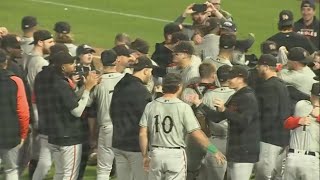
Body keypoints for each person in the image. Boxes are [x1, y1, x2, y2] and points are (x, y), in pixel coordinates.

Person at [139, 73, 225, 180]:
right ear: (179, 87)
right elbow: (196, 133)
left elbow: (143, 133)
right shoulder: (183, 107)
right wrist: (214, 150)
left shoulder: (150, 105)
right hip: (175, 155)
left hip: (156, 153)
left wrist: (145, 156)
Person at [188, 65, 260, 180]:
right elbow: (217, 117)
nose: (228, 80)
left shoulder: (248, 97)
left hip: (244, 151)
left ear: (240, 79)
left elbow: (244, 122)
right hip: (235, 150)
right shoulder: (236, 96)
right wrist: (199, 104)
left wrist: (225, 110)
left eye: (231, 77)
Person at [43, 51, 99, 180]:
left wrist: (84, 87)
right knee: (70, 175)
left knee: (59, 173)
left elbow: (70, 100)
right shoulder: (61, 84)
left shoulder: (52, 81)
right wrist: (88, 89)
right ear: (63, 67)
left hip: (55, 135)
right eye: (71, 63)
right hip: (69, 137)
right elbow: (77, 111)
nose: (74, 66)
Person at [109, 56, 155, 180]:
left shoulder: (119, 85)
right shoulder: (142, 92)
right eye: (150, 72)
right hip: (135, 147)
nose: (150, 75)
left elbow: (111, 111)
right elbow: (147, 122)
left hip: (118, 142)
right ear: (146, 70)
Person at [32, 43, 70, 180]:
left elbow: (36, 99)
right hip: (61, 127)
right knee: (63, 167)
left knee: (45, 163)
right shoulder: (60, 78)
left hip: (45, 124)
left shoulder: (41, 75)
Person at [86, 49, 125, 180]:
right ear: (117, 61)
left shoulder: (98, 82)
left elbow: (87, 103)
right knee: (123, 167)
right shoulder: (126, 80)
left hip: (106, 128)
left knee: (103, 169)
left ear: (102, 62)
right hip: (124, 128)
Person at [254, 54, 292, 180]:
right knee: (275, 175)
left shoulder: (268, 86)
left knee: (264, 175)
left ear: (265, 67)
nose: (257, 69)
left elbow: (269, 114)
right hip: (282, 138)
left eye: (259, 66)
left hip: (269, 139)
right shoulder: (281, 84)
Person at [180, 63, 217, 180]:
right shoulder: (216, 91)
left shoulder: (188, 89)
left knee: (191, 167)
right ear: (213, 75)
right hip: (211, 134)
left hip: (192, 133)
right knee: (213, 167)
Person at [199, 64, 235, 180]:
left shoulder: (208, 95)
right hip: (236, 140)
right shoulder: (237, 94)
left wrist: (206, 133)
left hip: (215, 141)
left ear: (217, 78)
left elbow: (200, 118)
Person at [0, 49, 30, 180]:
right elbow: (23, 112)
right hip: (10, 133)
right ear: (5, 62)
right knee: (11, 170)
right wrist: (23, 134)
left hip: (8, 133)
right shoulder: (15, 81)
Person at [283, 82, 320, 180]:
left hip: (307, 158)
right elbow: (287, 123)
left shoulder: (301, 104)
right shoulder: (302, 105)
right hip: (296, 157)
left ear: (311, 95)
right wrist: (298, 120)